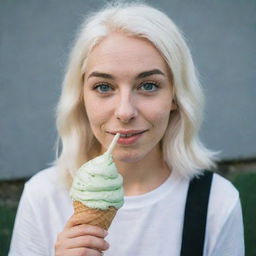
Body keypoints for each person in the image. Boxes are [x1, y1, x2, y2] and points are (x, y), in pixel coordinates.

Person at [9, 2, 244, 256]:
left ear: (176, 96)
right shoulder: (43, 196)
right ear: (81, 97)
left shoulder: (217, 202)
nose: (124, 112)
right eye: (103, 87)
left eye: (148, 85)